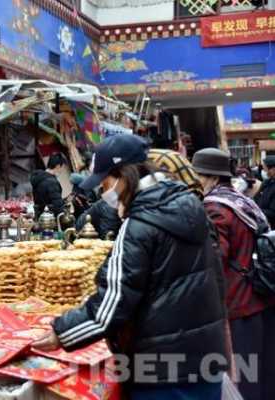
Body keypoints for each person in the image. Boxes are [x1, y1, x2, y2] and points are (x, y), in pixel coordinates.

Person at [33, 134, 228, 398]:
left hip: (159, 372)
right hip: (205, 361)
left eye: (105, 184)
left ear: (124, 177)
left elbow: (112, 304)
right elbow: (217, 280)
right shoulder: (192, 207)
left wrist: (61, 331)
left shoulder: (139, 225)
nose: (104, 193)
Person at [193, 148, 275, 400]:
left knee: (245, 379)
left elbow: (214, 261)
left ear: (210, 177)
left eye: (198, 176)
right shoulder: (242, 200)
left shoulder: (215, 208)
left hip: (238, 305)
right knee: (265, 375)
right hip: (262, 296)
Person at [30, 153, 67, 219]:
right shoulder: (52, 183)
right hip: (50, 220)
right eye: (62, 167)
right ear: (58, 166)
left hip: (39, 217)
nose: (62, 170)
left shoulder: (39, 178)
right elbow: (58, 207)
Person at [255, 155, 275, 228]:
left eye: (265, 169)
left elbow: (273, 213)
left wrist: (256, 211)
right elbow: (256, 198)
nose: (264, 172)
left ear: (273, 169)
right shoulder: (266, 182)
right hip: (261, 221)